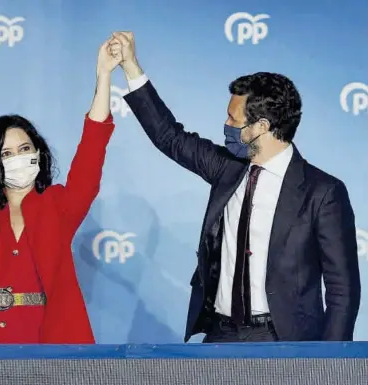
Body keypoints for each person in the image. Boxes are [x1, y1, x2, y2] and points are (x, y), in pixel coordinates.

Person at [111, 32, 361, 342]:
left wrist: (329, 363)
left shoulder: (323, 192)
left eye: (233, 118)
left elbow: (342, 290)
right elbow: (169, 137)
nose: (226, 125)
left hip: (284, 340)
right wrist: (131, 66)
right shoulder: (226, 167)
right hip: (220, 334)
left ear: (262, 127)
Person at [0, 38, 122, 344]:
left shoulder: (59, 204)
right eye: (6, 153)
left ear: (37, 153)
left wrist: (104, 75)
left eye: (24, 148)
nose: (17, 158)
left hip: (48, 338)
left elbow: (92, 149)